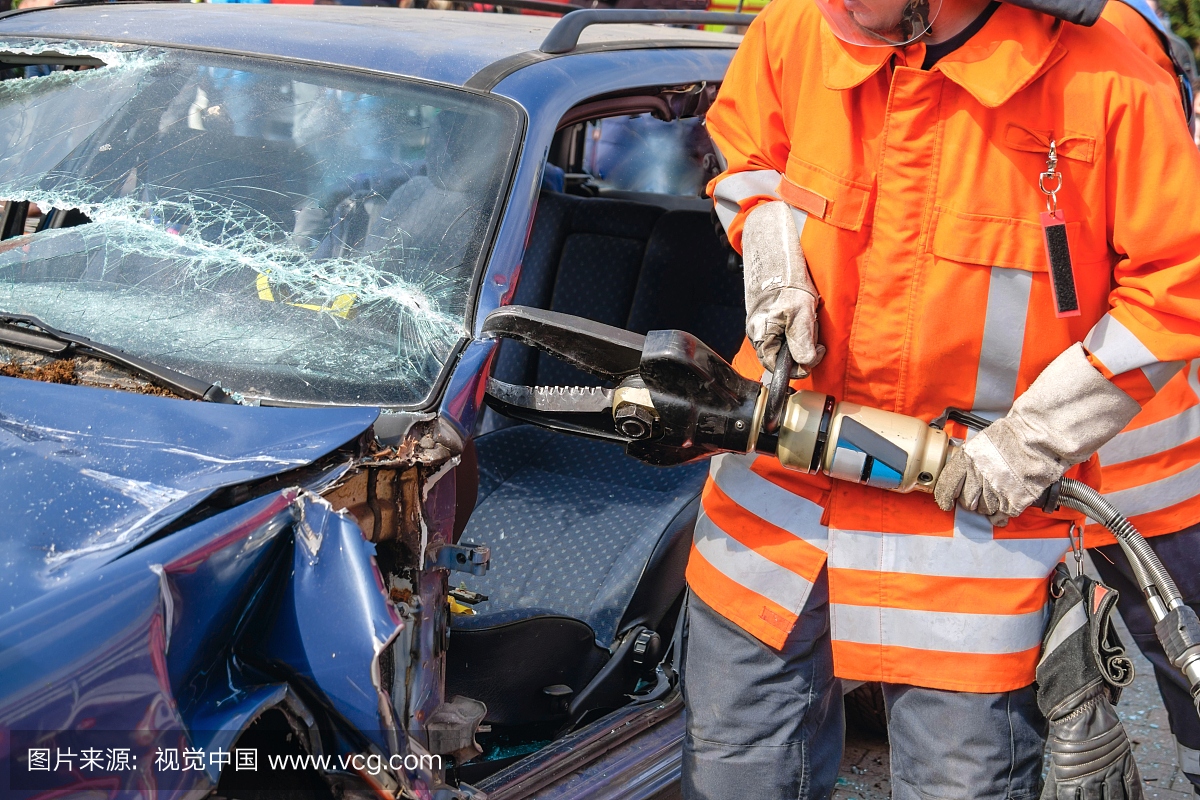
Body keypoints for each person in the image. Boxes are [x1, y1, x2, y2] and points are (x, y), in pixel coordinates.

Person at [683, 0, 1200, 795]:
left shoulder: (1107, 80)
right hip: (771, 524)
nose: (839, 13)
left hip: (968, 552)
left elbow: (1176, 290)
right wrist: (768, 239)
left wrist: (1032, 440)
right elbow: (745, 147)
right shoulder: (797, 25)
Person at [1085, 3, 1200, 792]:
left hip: (1126, 442)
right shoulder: (1126, 30)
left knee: (1174, 639)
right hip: (1112, 441)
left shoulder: (1105, 34)